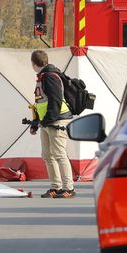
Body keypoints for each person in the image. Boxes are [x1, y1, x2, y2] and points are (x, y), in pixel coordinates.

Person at [30, 50, 75, 198]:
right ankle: (56, 186)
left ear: (34, 64)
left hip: (56, 120)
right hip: (47, 121)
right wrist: (37, 122)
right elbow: (42, 103)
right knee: (47, 155)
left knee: (59, 154)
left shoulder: (49, 77)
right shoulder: (43, 76)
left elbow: (55, 101)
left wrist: (46, 120)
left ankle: (68, 187)